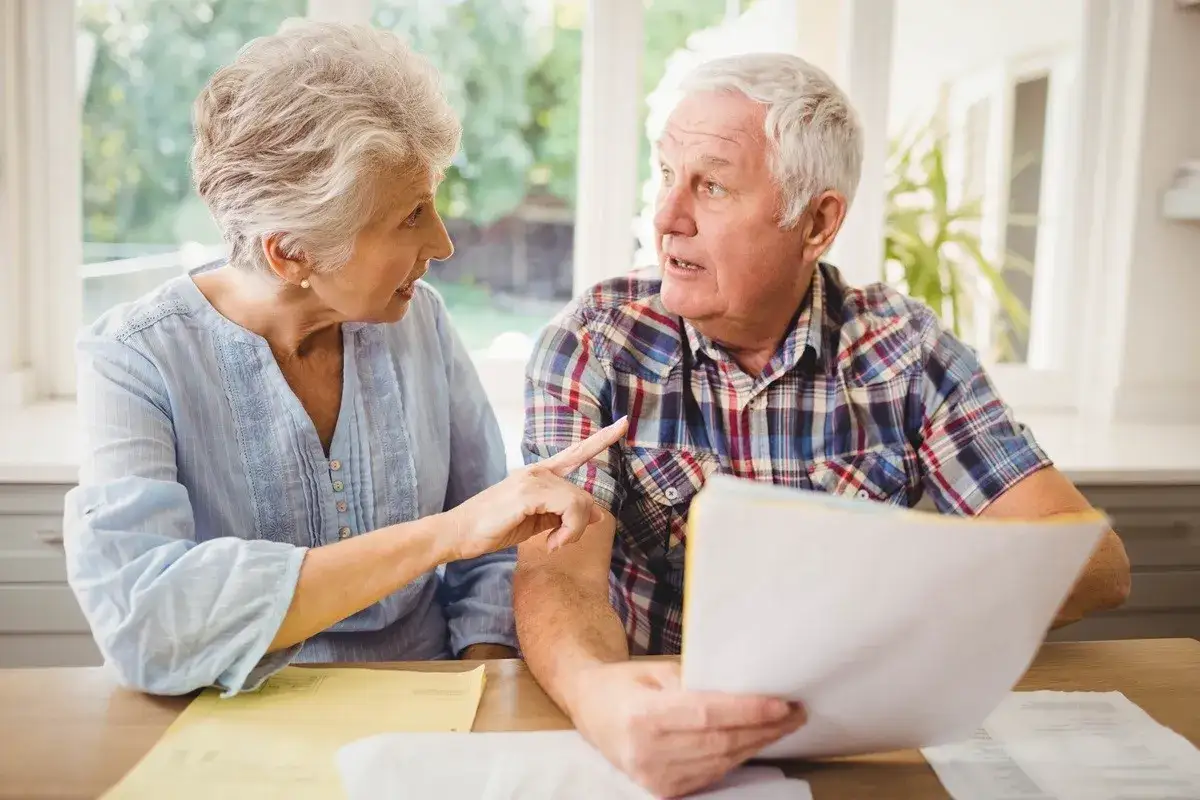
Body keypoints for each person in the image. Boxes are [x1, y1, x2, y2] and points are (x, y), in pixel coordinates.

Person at [514, 52, 1132, 797]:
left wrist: (871, 611)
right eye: (665, 173)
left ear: (817, 222)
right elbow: (559, 577)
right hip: (653, 742)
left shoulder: (905, 352)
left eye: (709, 185)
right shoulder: (594, 341)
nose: (667, 216)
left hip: (857, 750)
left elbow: (1092, 562)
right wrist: (595, 696)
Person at [63, 21, 627, 698]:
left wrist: (475, 692)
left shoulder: (420, 321)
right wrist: (443, 536)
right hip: (231, 722)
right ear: (291, 252)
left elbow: (490, 557)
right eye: (411, 216)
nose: (444, 243)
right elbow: (148, 624)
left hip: (432, 705)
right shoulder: (133, 360)